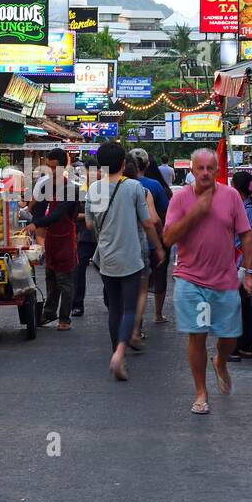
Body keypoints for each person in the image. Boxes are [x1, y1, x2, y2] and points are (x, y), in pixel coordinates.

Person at [163, 148, 252, 415]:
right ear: (192, 170)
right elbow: (168, 238)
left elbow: (246, 235)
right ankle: (201, 392)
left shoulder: (231, 197)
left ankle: (221, 361)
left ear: (217, 171)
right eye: (200, 168)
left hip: (225, 280)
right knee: (198, 335)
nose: (205, 173)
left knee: (229, 337)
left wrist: (249, 272)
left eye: (210, 168)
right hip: (191, 280)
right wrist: (196, 212)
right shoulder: (181, 198)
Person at [86, 142, 165, 381]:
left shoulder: (95, 189)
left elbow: (89, 224)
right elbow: (148, 222)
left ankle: (116, 353)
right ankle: (120, 352)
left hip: (106, 256)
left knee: (115, 308)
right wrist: (158, 247)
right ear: (123, 163)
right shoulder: (133, 187)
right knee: (129, 308)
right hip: (130, 256)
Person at [28, 149, 80, 330]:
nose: (50, 171)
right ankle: (49, 312)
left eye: (53, 167)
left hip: (66, 240)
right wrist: (35, 223)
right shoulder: (46, 187)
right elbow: (39, 210)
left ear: (63, 167)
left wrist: (37, 223)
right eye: (48, 167)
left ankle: (64, 319)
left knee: (65, 281)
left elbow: (57, 214)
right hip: (51, 239)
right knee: (50, 278)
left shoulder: (71, 189)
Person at [123, 156, 163, 348]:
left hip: (113, 248)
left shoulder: (102, 189)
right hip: (138, 246)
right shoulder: (144, 190)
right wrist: (159, 244)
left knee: (118, 291)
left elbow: (92, 223)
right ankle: (135, 331)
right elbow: (152, 220)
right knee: (141, 289)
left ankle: (120, 336)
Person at [137, 150, 174, 325]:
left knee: (138, 282)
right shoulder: (156, 186)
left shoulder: (121, 184)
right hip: (155, 240)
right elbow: (162, 216)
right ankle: (158, 314)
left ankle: (136, 323)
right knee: (159, 276)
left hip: (131, 241)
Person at [231, 171, 252, 362]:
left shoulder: (247, 210)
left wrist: (246, 269)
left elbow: (247, 241)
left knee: (236, 305)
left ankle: (234, 348)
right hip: (239, 261)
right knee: (243, 305)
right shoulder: (244, 208)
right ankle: (244, 347)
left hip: (240, 262)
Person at [71, 155, 97, 317]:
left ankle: (110, 301)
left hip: (103, 237)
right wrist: (88, 216)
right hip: (84, 237)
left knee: (106, 272)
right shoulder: (79, 190)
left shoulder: (106, 189)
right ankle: (77, 304)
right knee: (78, 272)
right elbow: (72, 214)